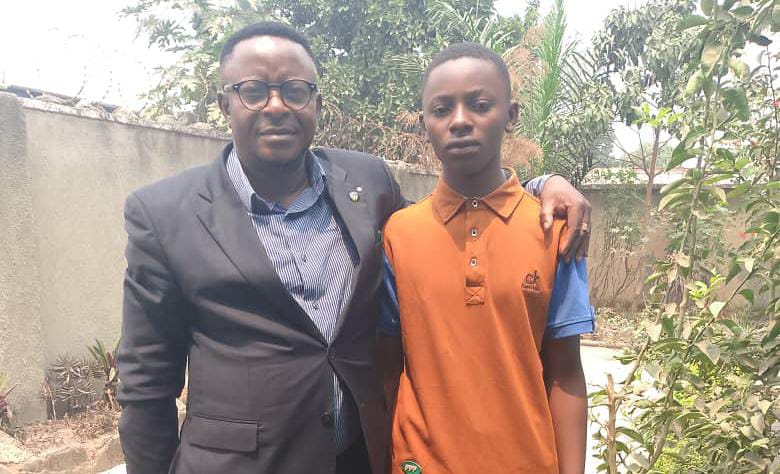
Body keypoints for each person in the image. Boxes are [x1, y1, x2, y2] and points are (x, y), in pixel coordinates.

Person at [117, 22, 592, 474]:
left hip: (358, 458)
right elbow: (145, 384)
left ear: (317, 103)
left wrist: (542, 187)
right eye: (254, 91)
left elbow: (457, 214)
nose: (276, 106)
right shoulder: (164, 215)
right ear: (225, 103)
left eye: (295, 90)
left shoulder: (367, 183)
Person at [378, 43, 594, 474]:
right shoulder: (399, 234)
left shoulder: (554, 229)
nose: (460, 121)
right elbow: (387, 368)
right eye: (442, 109)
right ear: (424, 124)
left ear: (511, 115)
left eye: (479, 105)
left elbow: (566, 373)